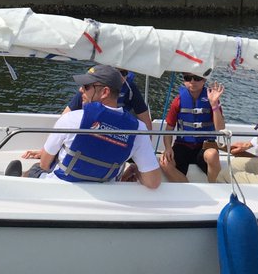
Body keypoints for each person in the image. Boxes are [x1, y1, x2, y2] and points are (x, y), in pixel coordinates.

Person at [21, 65, 161, 188]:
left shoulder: (71, 119)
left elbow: (44, 164)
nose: (81, 89)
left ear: (105, 92)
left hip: (62, 185)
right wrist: (134, 169)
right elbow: (153, 182)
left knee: (34, 170)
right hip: (105, 187)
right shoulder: (138, 129)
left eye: (87, 86)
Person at [159, 73, 225, 183]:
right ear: (184, 80)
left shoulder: (213, 100)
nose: (192, 82)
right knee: (165, 162)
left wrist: (214, 104)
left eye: (197, 78)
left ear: (204, 80)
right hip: (182, 146)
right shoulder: (178, 101)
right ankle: (186, 186)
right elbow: (168, 129)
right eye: (188, 78)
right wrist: (168, 148)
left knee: (213, 154)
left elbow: (220, 129)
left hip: (204, 146)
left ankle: (214, 187)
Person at [63, 66, 152, 130]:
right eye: (115, 72)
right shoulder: (88, 90)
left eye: (123, 73)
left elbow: (144, 117)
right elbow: (65, 116)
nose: (119, 76)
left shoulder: (130, 89)